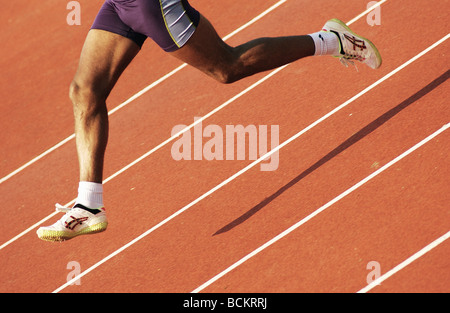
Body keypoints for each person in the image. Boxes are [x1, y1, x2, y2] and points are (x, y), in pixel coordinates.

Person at [37, 0, 381, 242]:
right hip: (120, 3)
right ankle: (89, 203)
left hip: (150, 3)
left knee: (226, 67)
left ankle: (332, 40)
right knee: (85, 91)